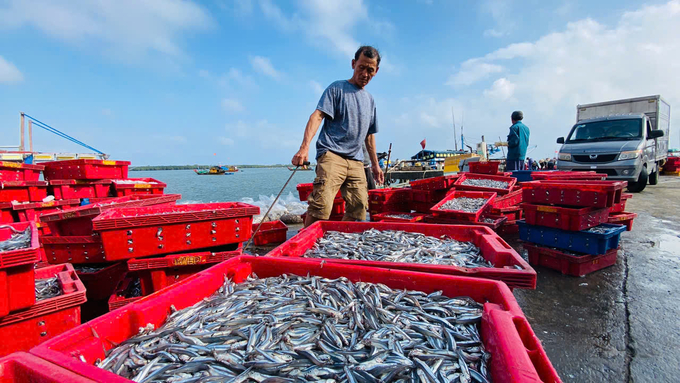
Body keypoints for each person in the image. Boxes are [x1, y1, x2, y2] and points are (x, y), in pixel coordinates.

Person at [292, 46, 384, 227]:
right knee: (321, 207)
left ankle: (342, 242)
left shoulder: (370, 100)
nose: (365, 74)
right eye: (361, 68)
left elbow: (369, 136)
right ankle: (305, 249)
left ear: (376, 71)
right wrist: (304, 148)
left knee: (359, 209)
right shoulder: (337, 88)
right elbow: (317, 116)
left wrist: (374, 164)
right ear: (353, 64)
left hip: (356, 161)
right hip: (332, 155)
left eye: (370, 70)